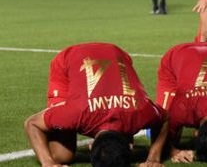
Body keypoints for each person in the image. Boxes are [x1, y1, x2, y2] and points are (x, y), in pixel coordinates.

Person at [24, 43, 169, 167]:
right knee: (61, 156)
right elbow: (32, 123)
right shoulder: (76, 113)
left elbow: (166, 117)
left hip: (116, 52)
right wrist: (48, 163)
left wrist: (153, 158)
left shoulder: (141, 113)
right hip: (70, 59)